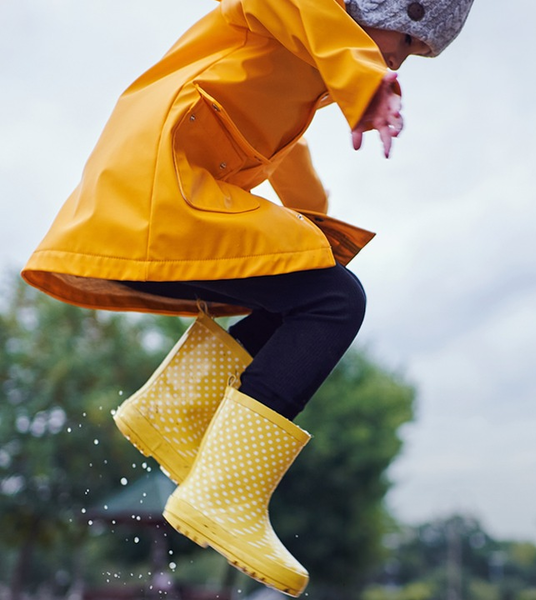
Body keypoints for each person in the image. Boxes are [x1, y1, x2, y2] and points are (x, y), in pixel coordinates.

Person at [21, 0, 474, 595]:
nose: (403, 60)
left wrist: (315, 232)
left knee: (308, 286)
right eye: (410, 43)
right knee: (335, 302)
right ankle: (224, 496)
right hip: (162, 190)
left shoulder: (299, 66)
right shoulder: (284, 15)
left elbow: (286, 154)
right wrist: (364, 78)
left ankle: (178, 413)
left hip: (158, 197)